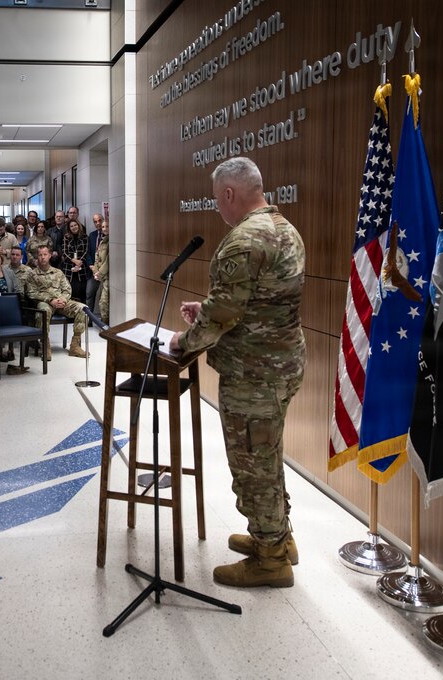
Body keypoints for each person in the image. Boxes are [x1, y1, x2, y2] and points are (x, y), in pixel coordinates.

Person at [169, 157, 305, 589]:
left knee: (252, 461)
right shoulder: (284, 228)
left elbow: (224, 313)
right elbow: (252, 303)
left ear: (229, 193)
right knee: (268, 453)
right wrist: (207, 311)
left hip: (254, 374)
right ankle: (279, 537)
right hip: (282, 364)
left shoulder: (243, 239)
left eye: (215, 199)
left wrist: (182, 340)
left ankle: (270, 560)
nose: (217, 207)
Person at [25, 244, 89, 360]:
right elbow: (31, 293)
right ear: (37, 257)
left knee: (84, 309)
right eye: (40, 255)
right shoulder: (32, 274)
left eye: (45, 254)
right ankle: (45, 346)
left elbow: (67, 289)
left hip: (61, 301)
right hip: (45, 302)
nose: (43, 257)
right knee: (43, 311)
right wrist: (50, 300)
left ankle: (75, 345)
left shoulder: (58, 272)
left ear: (50, 255)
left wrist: (63, 300)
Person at [59, 218, 89, 302]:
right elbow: (64, 252)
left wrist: (79, 262)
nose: (74, 227)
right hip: (69, 269)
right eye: (71, 226)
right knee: (70, 292)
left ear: (78, 226)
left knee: (82, 292)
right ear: (69, 228)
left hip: (81, 269)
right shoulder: (66, 237)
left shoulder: (85, 237)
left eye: (75, 225)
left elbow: (86, 251)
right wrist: (74, 261)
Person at [85, 212, 104, 312]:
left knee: (104, 297)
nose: (98, 223)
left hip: (105, 270)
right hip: (93, 270)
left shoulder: (109, 235)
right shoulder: (92, 235)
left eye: (99, 221)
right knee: (89, 294)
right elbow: (88, 253)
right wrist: (91, 266)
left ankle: (105, 320)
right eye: (95, 222)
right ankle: (89, 320)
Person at [93, 219, 110, 324]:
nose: (105, 229)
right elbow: (97, 259)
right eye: (103, 227)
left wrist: (100, 272)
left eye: (107, 226)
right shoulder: (102, 242)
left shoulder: (111, 241)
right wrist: (95, 272)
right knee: (101, 301)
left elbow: (109, 260)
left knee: (104, 301)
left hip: (107, 276)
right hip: (101, 277)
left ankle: (105, 325)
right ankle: (104, 323)